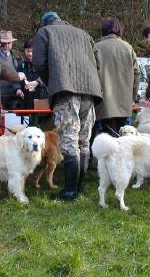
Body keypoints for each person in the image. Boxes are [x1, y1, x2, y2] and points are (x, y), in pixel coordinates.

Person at [33, 11, 103, 201]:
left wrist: (52, 81)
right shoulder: (84, 34)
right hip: (90, 91)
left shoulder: (45, 32)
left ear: (45, 22)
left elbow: (39, 62)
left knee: (69, 139)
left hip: (65, 91)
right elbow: (98, 64)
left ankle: (70, 191)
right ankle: (79, 188)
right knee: (83, 141)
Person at [93, 17, 139, 136]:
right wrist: (133, 97)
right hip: (124, 101)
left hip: (103, 101)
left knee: (107, 136)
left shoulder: (96, 47)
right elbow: (136, 73)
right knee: (123, 138)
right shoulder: (128, 47)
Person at [17, 37, 49, 111]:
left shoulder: (44, 63)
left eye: (32, 51)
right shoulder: (22, 64)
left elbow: (48, 76)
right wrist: (18, 89)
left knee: (41, 119)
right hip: (26, 99)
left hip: (42, 97)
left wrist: (38, 82)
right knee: (27, 119)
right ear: (24, 51)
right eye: (28, 51)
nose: (30, 54)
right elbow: (16, 79)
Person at [0, 30, 23, 110]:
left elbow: (20, 73)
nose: (7, 46)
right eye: (4, 43)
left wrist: (18, 88)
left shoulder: (17, 56)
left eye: (9, 43)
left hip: (14, 95)